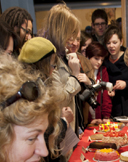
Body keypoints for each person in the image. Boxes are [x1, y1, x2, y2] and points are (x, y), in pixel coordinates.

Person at [43, 4, 82, 135]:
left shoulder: (61, 55)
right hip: (58, 128)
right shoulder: (49, 57)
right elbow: (60, 99)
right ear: (60, 30)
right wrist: (75, 75)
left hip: (67, 127)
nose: (72, 40)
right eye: (70, 33)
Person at [104, 25, 128, 117]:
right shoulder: (104, 61)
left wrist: (126, 84)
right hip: (111, 107)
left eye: (115, 42)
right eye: (108, 43)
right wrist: (108, 90)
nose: (111, 46)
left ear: (121, 42)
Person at [85, 42, 112, 123]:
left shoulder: (102, 71)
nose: (99, 62)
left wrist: (106, 116)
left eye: (102, 60)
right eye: (96, 58)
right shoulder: (82, 72)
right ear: (88, 57)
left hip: (99, 116)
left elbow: (106, 95)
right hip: (86, 117)